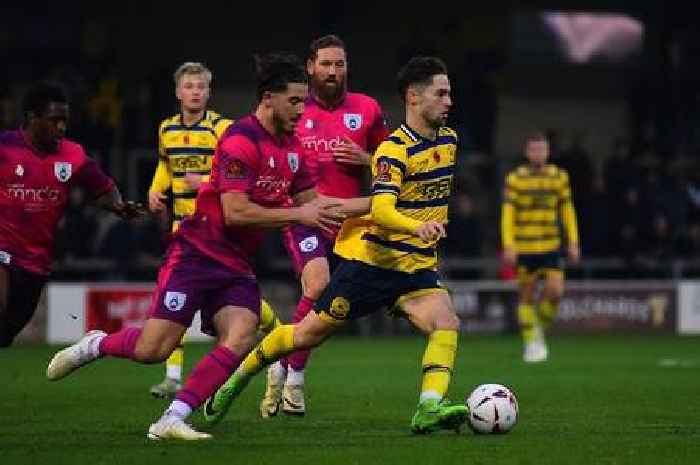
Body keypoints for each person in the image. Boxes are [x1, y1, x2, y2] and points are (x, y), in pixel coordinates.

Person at [46, 53, 365, 441]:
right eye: (295, 101)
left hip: (235, 264)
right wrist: (298, 216)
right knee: (153, 349)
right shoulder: (240, 140)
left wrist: (382, 203)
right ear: (268, 98)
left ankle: (172, 417)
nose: (302, 109)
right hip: (196, 255)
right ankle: (96, 344)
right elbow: (235, 212)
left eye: (304, 101)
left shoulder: (293, 149)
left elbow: (317, 205)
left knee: (243, 331)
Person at [204, 56, 470, 435]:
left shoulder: (449, 141)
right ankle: (238, 378)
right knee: (306, 333)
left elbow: (414, 193)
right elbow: (382, 208)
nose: (449, 101)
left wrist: (416, 227)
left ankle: (428, 408)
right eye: (441, 94)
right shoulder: (393, 151)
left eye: (450, 93)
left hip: (415, 268)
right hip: (371, 265)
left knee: (446, 322)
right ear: (414, 97)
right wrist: (418, 226)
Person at [262, 34, 389, 417]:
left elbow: (390, 166)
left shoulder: (367, 109)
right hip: (305, 217)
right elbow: (270, 154)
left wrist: (365, 157)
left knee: (332, 305)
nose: (333, 72)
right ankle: (295, 383)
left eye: (340, 64)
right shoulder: (295, 110)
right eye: (326, 64)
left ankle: (280, 363)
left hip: (351, 224)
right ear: (310, 67)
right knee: (317, 286)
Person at [147, 62, 280, 399]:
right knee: (172, 299)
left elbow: (241, 174)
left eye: (200, 87)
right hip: (182, 228)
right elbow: (165, 165)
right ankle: (174, 376)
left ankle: (276, 330)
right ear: (178, 92)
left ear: (208, 92)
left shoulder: (223, 129)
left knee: (228, 294)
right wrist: (154, 190)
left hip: (217, 230)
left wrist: (202, 181)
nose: (194, 92)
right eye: (188, 86)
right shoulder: (166, 129)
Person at [0, 82, 143, 348]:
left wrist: (119, 206)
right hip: (3, 250)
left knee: (5, 334)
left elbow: (103, 188)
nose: (62, 127)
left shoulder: (73, 154)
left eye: (64, 121)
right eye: (55, 120)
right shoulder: (5, 147)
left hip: (36, 262)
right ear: (33, 118)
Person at [501, 132, 580, 363]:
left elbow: (567, 210)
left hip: (550, 245)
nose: (538, 153)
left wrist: (574, 241)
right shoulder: (515, 178)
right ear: (527, 152)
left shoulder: (559, 176)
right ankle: (531, 342)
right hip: (524, 247)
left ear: (547, 152)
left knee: (555, 291)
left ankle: (536, 331)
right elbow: (508, 214)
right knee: (526, 297)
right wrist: (508, 245)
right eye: (534, 149)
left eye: (541, 149)